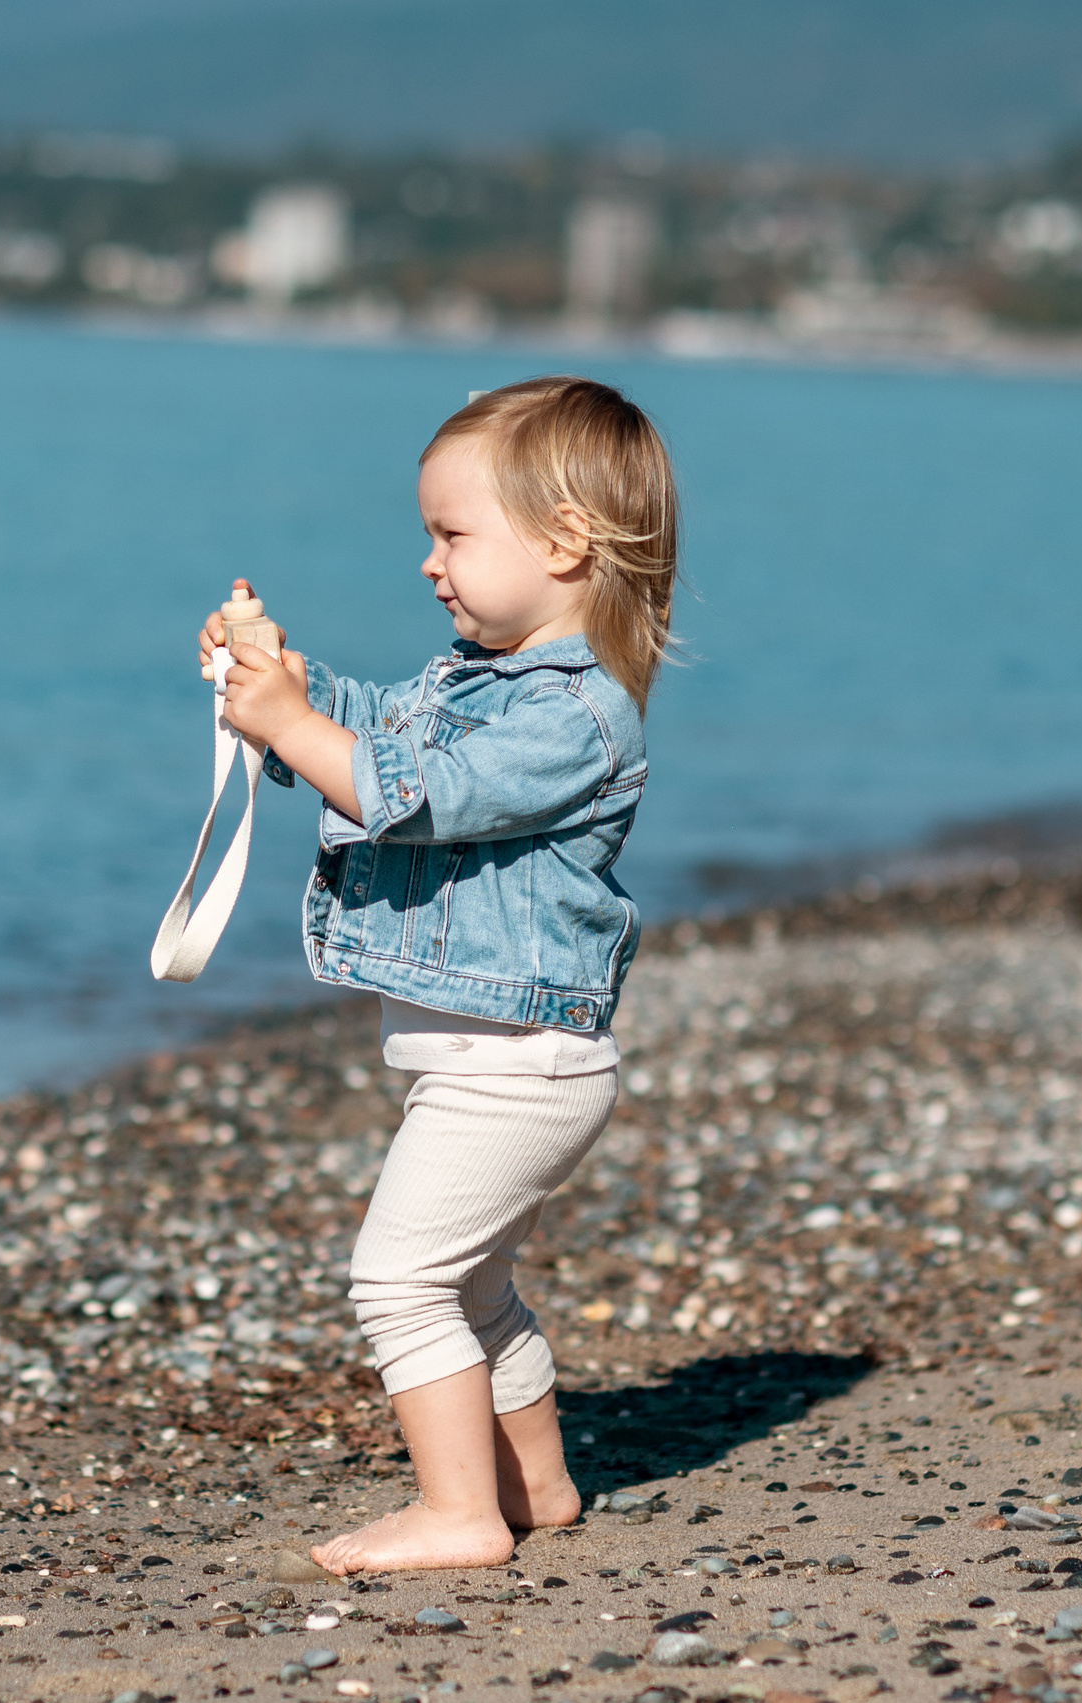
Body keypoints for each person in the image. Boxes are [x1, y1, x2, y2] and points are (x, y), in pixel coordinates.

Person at [197, 376, 679, 1574]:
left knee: (398, 1276)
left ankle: (459, 1513)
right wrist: (281, 692)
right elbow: (378, 735)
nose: (428, 562)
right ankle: (536, 1485)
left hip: (519, 1068)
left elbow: (419, 792)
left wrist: (298, 727)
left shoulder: (576, 716)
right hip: (481, 1059)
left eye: (453, 534)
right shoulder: (473, 680)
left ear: (565, 544)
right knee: (471, 1285)